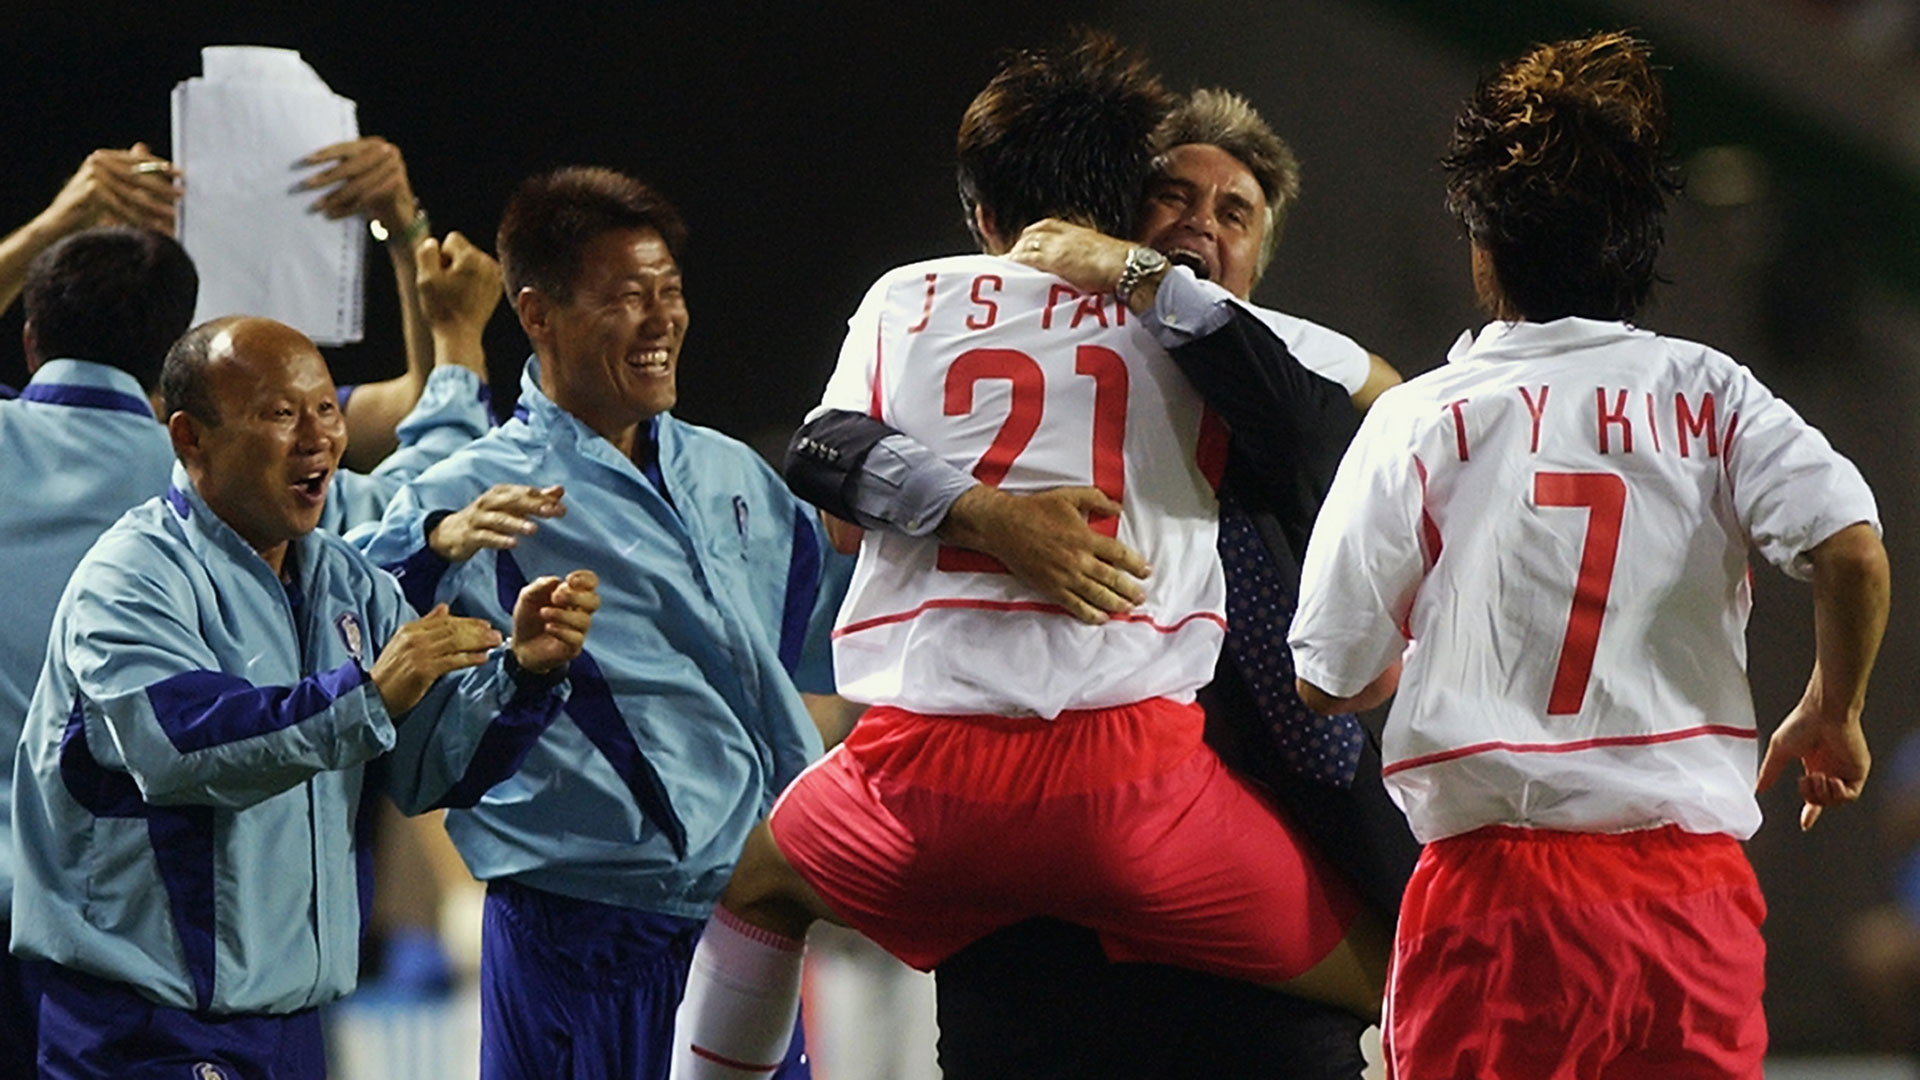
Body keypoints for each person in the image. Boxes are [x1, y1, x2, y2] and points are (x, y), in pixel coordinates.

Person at [668, 34, 1383, 1080]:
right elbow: (1375, 406)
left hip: (918, 778)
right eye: (1179, 200)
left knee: (755, 887)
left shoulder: (909, 297)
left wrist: (968, 510)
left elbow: (823, 452)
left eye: (1236, 211)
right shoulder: (1195, 332)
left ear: (980, 212)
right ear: (1126, 198)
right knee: (1400, 963)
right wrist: (1000, 514)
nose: (1199, 229)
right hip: (1132, 784)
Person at [1287, 32, 1890, 1077]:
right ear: (1638, 246)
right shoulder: (1711, 392)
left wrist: (1400, 657)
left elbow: (1327, 676)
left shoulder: (1424, 417)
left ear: (1484, 249)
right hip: (1687, 902)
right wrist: (1833, 707)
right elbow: (1852, 550)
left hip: (1495, 904)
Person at [9, 314, 602, 1079]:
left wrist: (525, 675)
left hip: (292, 1027)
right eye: (279, 414)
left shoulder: (348, 582)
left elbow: (428, 771)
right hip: (148, 1029)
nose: (316, 437)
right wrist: (369, 695)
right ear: (190, 439)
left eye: (325, 409)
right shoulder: (131, 577)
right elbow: (184, 747)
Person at [356, 167, 834, 1080]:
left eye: (671, 293)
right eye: (626, 298)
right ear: (537, 315)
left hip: (745, 923)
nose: (662, 322)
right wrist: (435, 547)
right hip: (574, 933)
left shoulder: (737, 478)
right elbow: (358, 624)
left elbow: (817, 656)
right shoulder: (469, 496)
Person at [0, 225, 194, 1078]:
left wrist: (57, 218)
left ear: (31, 335)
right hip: (130, 938)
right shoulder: (219, 484)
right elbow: (416, 412)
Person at [0, 138, 487, 470]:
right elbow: (435, 425)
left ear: (30, 344)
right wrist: (404, 228)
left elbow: (413, 410)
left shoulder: (10, 442)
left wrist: (57, 223)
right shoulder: (240, 468)